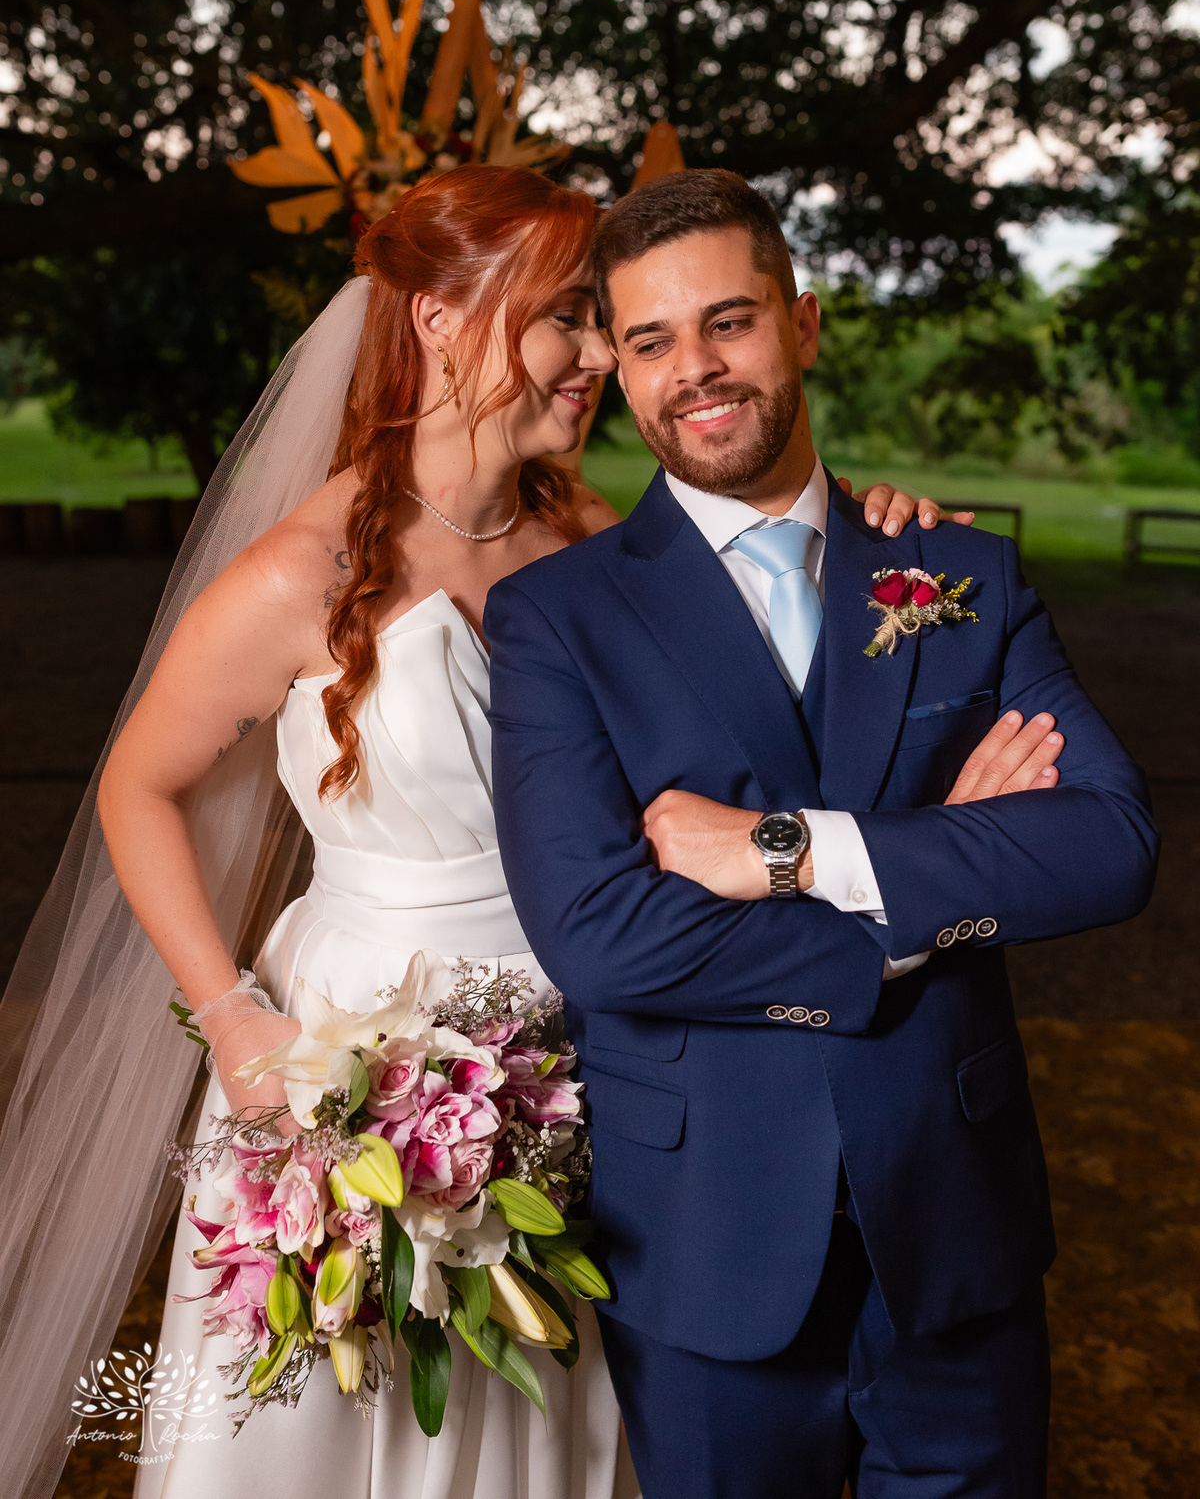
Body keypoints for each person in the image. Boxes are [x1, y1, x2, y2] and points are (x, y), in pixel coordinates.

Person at [0, 162, 971, 1499]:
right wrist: (233, 1019)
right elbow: (134, 786)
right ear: (441, 321)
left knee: (556, 1416)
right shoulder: (302, 570)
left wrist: (876, 536)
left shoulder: (591, 540)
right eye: (562, 316)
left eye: (593, 320)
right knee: (336, 1428)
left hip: (586, 1049)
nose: (592, 356)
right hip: (352, 1050)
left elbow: (766, 616)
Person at [483, 169, 1160, 1499]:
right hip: (703, 1249)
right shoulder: (555, 620)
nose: (697, 369)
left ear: (803, 322)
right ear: (620, 372)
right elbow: (602, 937)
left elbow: (1110, 841)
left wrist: (790, 850)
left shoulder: (960, 578)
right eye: (652, 340)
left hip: (955, 1229)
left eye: (728, 321)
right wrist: (923, 880)